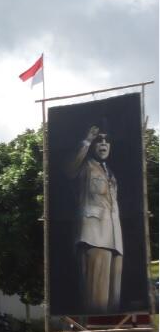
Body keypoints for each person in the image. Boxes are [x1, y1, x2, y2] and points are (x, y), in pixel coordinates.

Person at [66, 124, 123, 313]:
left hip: (114, 238)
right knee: (96, 301)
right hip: (94, 236)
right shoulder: (85, 167)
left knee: (113, 302)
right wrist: (88, 139)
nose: (104, 143)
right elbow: (70, 169)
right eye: (99, 140)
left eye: (107, 140)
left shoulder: (110, 171)